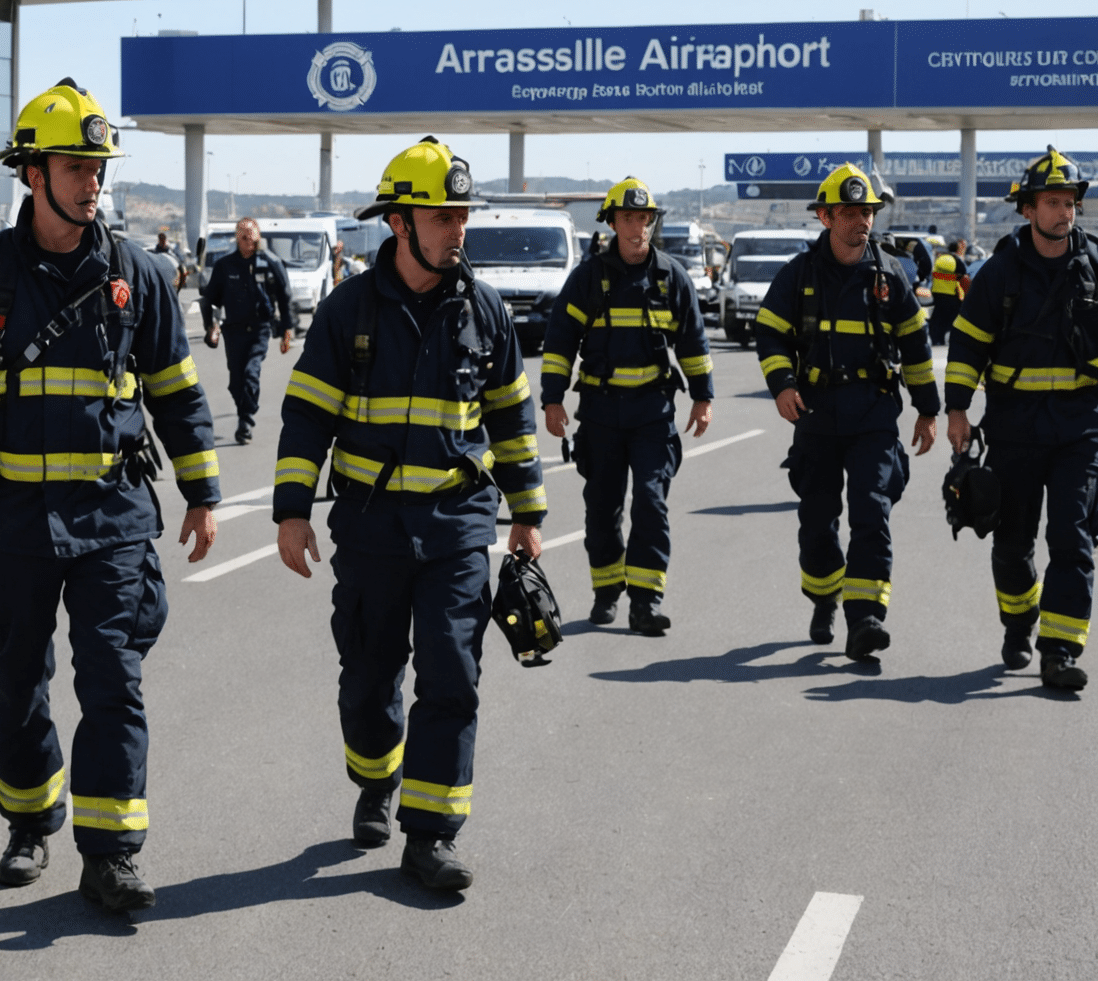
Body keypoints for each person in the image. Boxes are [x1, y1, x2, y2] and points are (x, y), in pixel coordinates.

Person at [0, 78, 219, 913]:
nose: (92, 181)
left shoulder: (137, 276)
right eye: (76, 165)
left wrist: (202, 491)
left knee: (113, 677)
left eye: (98, 166)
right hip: (10, 522)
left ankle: (112, 851)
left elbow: (178, 393)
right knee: (16, 682)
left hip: (112, 519)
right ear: (32, 174)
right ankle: (30, 822)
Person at [275, 137, 546, 894]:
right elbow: (305, 419)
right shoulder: (349, 310)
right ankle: (375, 776)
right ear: (400, 223)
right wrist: (292, 512)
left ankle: (430, 835)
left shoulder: (485, 311)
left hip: (460, 527)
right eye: (443, 215)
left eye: (463, 214)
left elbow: (513, 421)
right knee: (367, 677)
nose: (459, 228)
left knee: (453, 674)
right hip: (370, 529)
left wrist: (527, 511)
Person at [754, 164, 939, 659]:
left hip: (873, 415)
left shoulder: (891, 275)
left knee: (871, 510)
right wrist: (782, 384)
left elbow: (917, 348)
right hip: (815, 414)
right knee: (817, 518)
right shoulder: (798, 274)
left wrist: (928, 409)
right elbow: (769, 332)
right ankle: (823, 599)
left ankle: (866, 619)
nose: (862, 221)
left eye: (868, 211)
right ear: (826, 217)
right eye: (851, 212)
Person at [945, 149, 1097, 691]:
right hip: (1013, 430)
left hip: (1080, 431)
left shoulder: (1095, 265)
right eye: (1053, 202)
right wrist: (957, 409)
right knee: (1012, 545)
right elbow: (965, 345)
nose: (1065, 212)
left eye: (1071, 202)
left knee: (1072, 538)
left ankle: (1059, 651)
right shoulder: (999, 273)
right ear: (1029, 209)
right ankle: (1019, 622)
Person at [540, 178, 714, 633]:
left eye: (643, 219)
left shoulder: (671, 277)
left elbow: (693, 342)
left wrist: (703, 397)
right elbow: (560, 342)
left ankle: (646, 601)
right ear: (613, 223)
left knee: (651, 504)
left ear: (652, 223)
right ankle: (606, 592)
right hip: (599, 412)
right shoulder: (589, 278)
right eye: (628, 219)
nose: (637, 228)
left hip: (653, 414)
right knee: (601, 507)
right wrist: (552, 400)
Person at [200, 217, 297, 445]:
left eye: (253, 238)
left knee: (251, 373)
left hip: (259, 330)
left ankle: (245, 420)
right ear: (237, 237)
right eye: (244, 238)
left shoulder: (271, 262)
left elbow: (285, 298)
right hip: (233, 331)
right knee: (236, 381)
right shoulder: (225, 266)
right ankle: (244, 408)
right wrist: (210, 327)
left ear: (259, 238)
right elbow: (209, 300)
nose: (249, 243)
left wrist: (287, 331)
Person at [926, 238, 970, 346]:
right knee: (953, 317)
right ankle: (949, 338)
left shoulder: (940, 258)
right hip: (950, 293)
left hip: (937, 292)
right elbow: (963, 276)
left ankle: (936, 339)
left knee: (937, 317)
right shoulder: (956, 260)